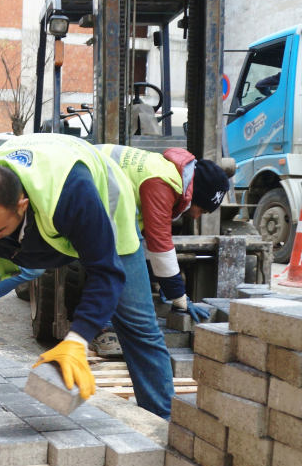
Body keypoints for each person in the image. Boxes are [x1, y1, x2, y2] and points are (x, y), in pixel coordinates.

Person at [0, 133, 186, 429]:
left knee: (139, 324)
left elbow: (106, 273)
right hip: (35, 210)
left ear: (22, 205)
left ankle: (161, 421)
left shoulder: (73, 193)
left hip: (101, 206)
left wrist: (77, 340)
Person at [89, 144, 230, 355]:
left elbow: (145, 233)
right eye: (201, 210)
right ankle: (100, 331)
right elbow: (159, 240)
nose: (197, 216)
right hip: (88, 179)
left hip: (97, 184)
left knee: (121, 259)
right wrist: (178, 294)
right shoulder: (163, 182)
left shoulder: (169, 174)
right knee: (113, 266)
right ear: (196, 196)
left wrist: (162, 278)